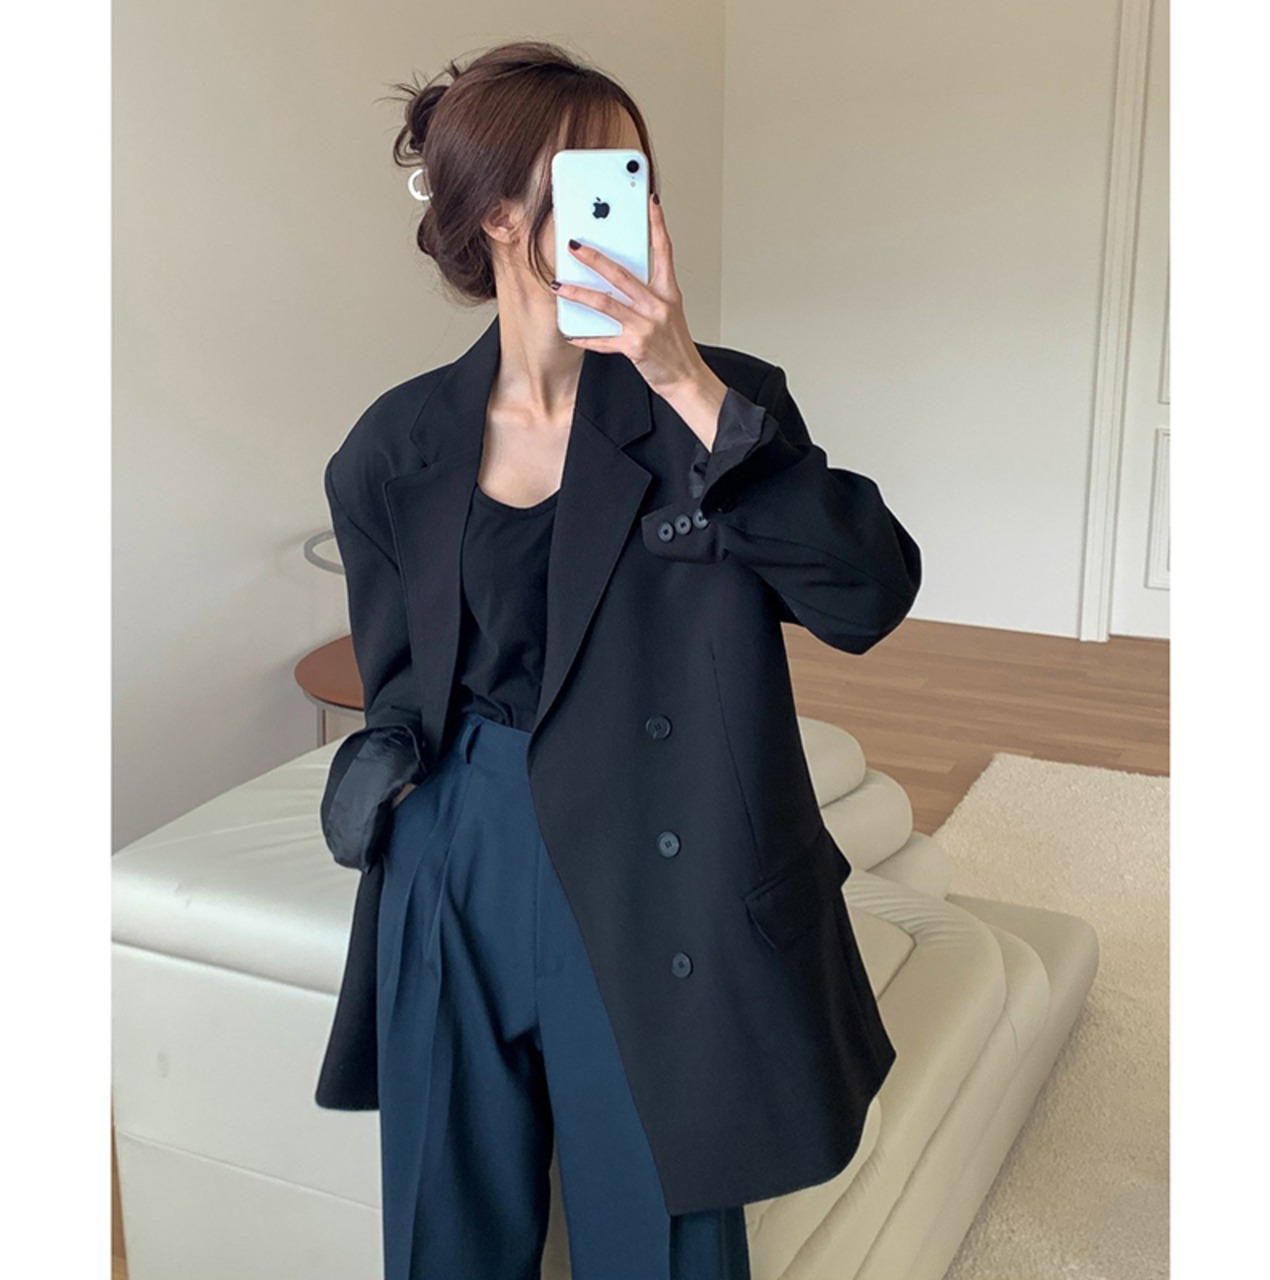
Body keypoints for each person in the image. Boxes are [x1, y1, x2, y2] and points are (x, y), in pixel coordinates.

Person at [321, 37, 921, 1280]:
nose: (633, 209)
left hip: (661, 853)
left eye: (637, 177)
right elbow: (400, 683)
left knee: (660, 1230)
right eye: (596, 178)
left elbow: (868, 594)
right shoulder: (393, 446)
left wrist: (680, 377)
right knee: (444, 1227)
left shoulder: (720, 405)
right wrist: (385, 800)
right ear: (499, 215)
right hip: (458, 855)